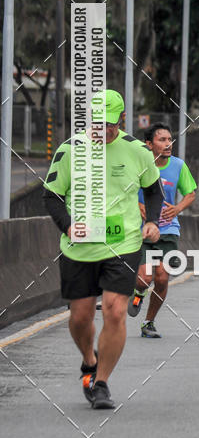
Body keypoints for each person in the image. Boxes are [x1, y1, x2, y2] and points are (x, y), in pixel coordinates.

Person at [43, 89, 163, 409]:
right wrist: (69, 225)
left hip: (123, 243)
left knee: (115, 310)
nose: (103, 130)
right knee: (80, 317)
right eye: (97, 123)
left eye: (110, 124)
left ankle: (102, 383)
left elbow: (153, 191)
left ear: (122, 120)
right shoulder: (70, 150)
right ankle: (89, 360)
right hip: (79, 247)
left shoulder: (137, 151)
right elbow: (52, 195)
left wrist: (152, 221)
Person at [128, 122, 197, 337]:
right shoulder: (138, 165)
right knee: (144, 278)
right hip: (142, 230)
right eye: (162, 140)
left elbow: (190, 194)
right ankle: (138, 294)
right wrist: (136, 205)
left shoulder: (178, 165)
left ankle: (148, 322)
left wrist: (177, 208)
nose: (168, 144)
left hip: (168, 230)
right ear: (149, 144)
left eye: (170, 140)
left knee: (161, 278)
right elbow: (123, 190)